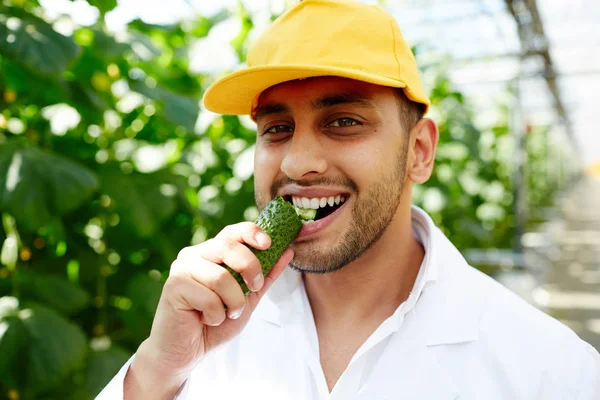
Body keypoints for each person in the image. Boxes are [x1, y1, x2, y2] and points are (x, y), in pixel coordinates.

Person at [98, 0, 600, 399]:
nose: (296, 164)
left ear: (419, 151)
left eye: (343, 122)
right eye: (276, 128)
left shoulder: (552, 372)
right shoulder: (199, 338)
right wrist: (156, 373)